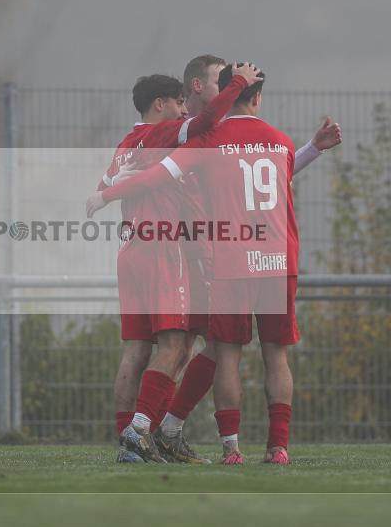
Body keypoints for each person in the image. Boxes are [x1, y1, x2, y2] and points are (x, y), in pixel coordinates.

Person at [89, 64, 307, 464]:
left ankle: (144, 436)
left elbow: (110, 184)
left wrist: (105, 194)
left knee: (142, 349)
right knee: (193, 345)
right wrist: (238, 84)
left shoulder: (128, 143)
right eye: (217, 78)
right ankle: (148, 433)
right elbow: (209, 134)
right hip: (176, 251)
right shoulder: (187, 132)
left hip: (133, 248)